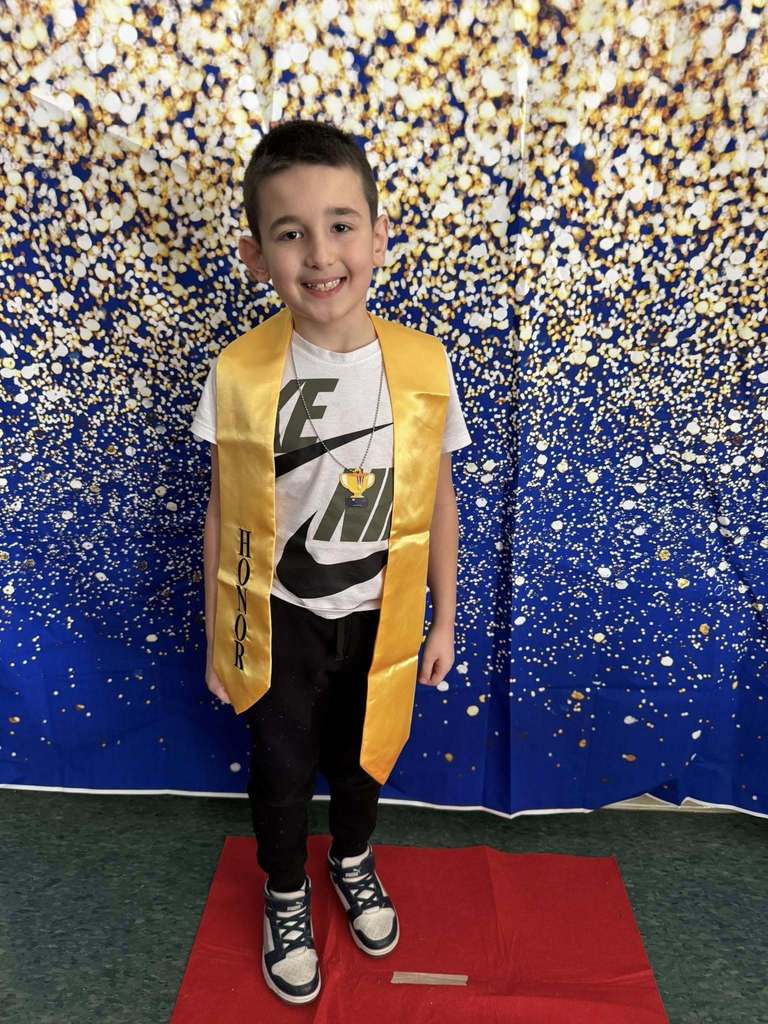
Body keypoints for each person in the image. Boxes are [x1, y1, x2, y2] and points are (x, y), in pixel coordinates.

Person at [190, 119, 472, 1005]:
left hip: (380, 612)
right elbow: (223, 511)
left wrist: (445, 617)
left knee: (363, 757)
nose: (320, 254)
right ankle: (284, 893)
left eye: (342, 224)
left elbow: (438, 499)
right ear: (255, 255)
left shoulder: (422, 366)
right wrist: (216, 638)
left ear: (380, 238)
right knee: (279, 770)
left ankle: (351, 859)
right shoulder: (239, 374)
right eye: (290, 232)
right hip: (277, 619)